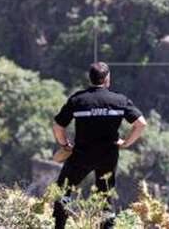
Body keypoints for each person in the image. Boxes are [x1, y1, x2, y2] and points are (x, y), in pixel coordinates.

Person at [52, 62, 148, 229]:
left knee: (63, 190)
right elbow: (141, 124)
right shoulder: (119, 100)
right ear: (107, 79)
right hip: (108, 156)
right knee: (105, 196)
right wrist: (125, 143)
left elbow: (58, 126)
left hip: (82, 154)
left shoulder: (78, 100)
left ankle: (59, 225)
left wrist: (65, 144)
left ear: (90, 78)